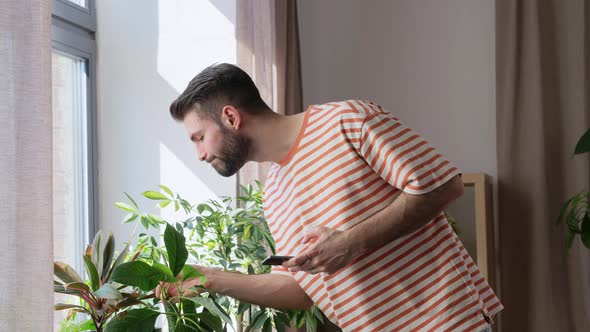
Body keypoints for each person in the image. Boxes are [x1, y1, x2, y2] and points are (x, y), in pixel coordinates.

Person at [161, 63, 503, 331]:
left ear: (231, 117)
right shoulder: (274, 192)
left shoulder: (347, 120)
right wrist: (211, 279)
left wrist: (352, 241)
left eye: (199, 137)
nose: (200, 155)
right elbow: (300, 291)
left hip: (445, 324)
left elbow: (444, 185)